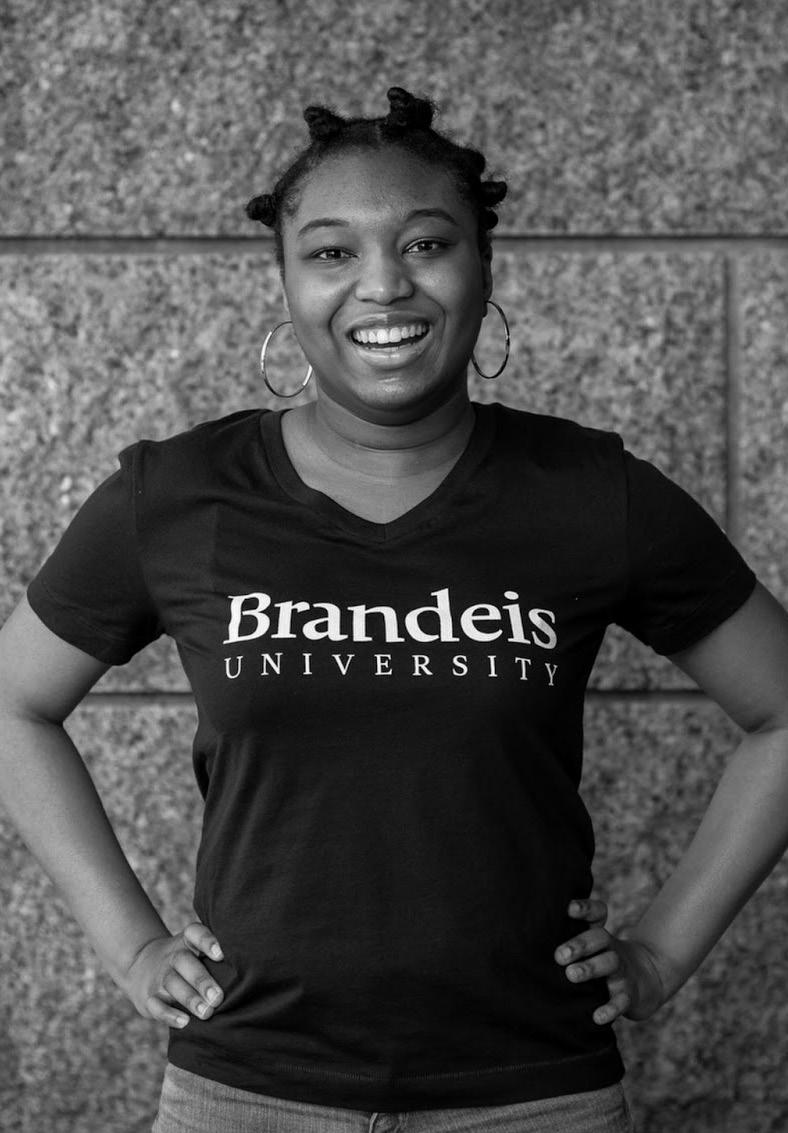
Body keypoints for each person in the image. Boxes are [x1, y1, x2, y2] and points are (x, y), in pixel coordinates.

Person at [1, 86, 787, 1133]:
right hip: (248, 1091)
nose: (382, 283)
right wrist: (134, 945)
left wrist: (661, 952)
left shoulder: (590, 493)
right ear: (285, 285)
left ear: (482, 266)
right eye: (331, 252)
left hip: (532, 1094)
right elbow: (13, 704)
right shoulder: (178, 496)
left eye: (425, 243)